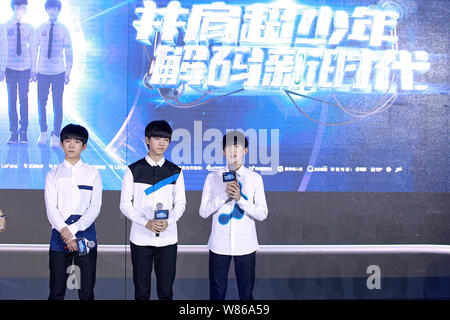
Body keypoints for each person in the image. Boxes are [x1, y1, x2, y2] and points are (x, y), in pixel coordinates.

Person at [120, 120, 186, 300]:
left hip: (168, 239)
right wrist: (146, 222)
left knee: (166, 290)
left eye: (166, 139)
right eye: (157, 138)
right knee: (141, 291)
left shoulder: (175, 171)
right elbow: (125, 204)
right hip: (141, 238)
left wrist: (168, 221)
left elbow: (180, 204)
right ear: (147, 140)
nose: (162, 143)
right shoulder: (133, 170)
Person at [199, 131, 268, 300]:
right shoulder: (212, 177)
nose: (233, 151)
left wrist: (240, 200)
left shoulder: (255, 179)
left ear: (245, 150)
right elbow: (203, 212)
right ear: (223, 151)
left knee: (246, 294)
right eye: (229, 147)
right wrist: (224, 195)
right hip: (219, 244)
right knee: (217, 293)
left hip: (246, 244)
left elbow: (262, 213)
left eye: (237, 146)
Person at [44, 124, 102, 300]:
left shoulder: (93, 173)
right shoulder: (52, 174)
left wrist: (73, 231)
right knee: (56, 291)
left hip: (85, 234)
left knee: (86, 292)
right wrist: (65, 231)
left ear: (83, 146)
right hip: (59, 234)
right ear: (61, 144)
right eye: (67, 141)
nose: (71, 145)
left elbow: (95, 206)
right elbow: (50, 207)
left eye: (76, 141)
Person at [34, 0, 73, 147]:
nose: (52, 11)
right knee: (41, 103)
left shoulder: (64, 29)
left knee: (57, 104)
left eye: (55, 8)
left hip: (58, 71)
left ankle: (56, 135)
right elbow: (34, 50)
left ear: (58, 10)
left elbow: (69, 51)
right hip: (42, 71)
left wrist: (68, 71)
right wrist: (34, 69)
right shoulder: (40, 28)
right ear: (46, 10)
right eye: (50, 8)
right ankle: (43, 132)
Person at [5, 0, 36, 144]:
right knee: (12, 100)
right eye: (23, 6)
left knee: (24, 99)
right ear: (16, 7)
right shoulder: (4, 26)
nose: (24, 8)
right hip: (10, 68)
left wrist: (32, 69)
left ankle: (23, 131)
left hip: (24, 68)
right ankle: (13, 132)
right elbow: (1, 48)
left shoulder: (29, 27)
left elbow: (33, 49)